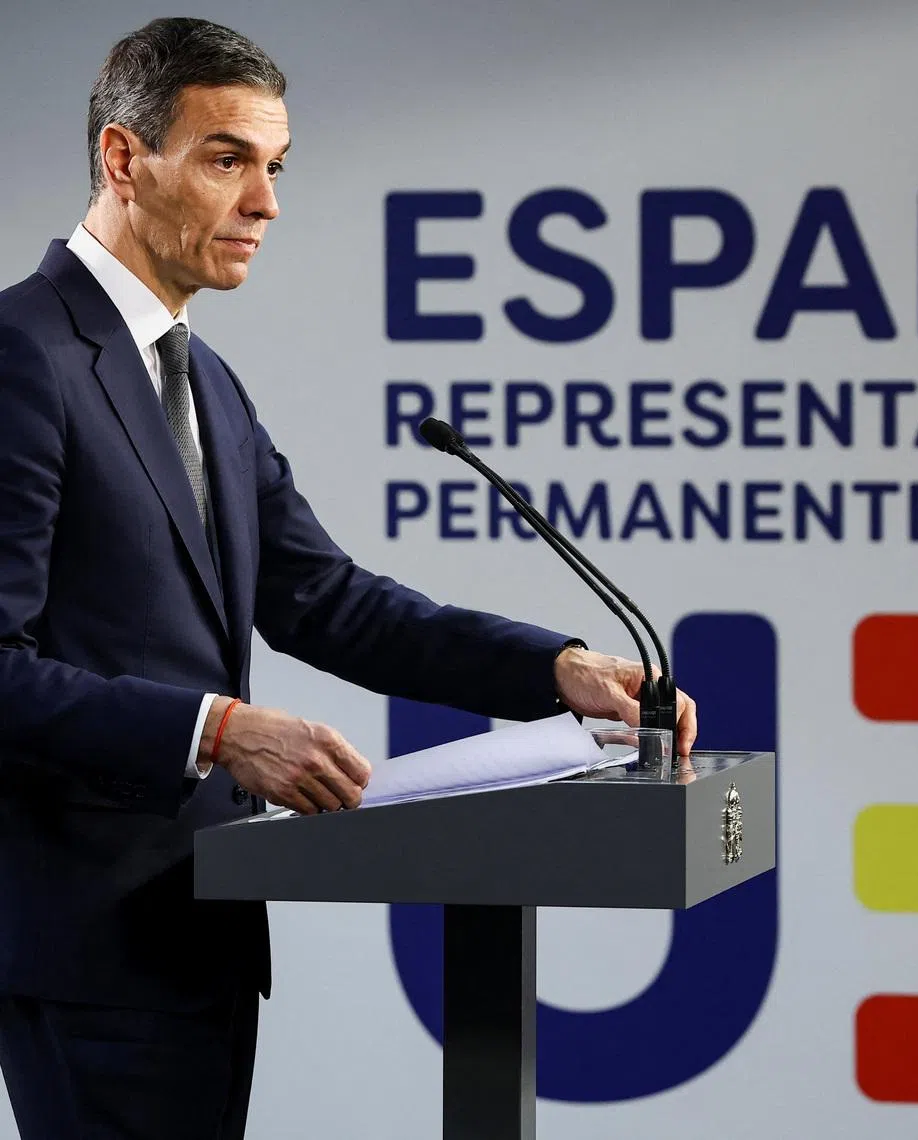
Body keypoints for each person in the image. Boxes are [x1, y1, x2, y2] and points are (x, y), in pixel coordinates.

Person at [0, 16, 696, 1140]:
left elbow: (325, 598)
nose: (267, 203)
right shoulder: (22, 357)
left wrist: (553, 666)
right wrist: (218, 729)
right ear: (126, 160)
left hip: (195, 931)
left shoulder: (202, 377)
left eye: (275, 168)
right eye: (229, 159)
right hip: (86, 945)